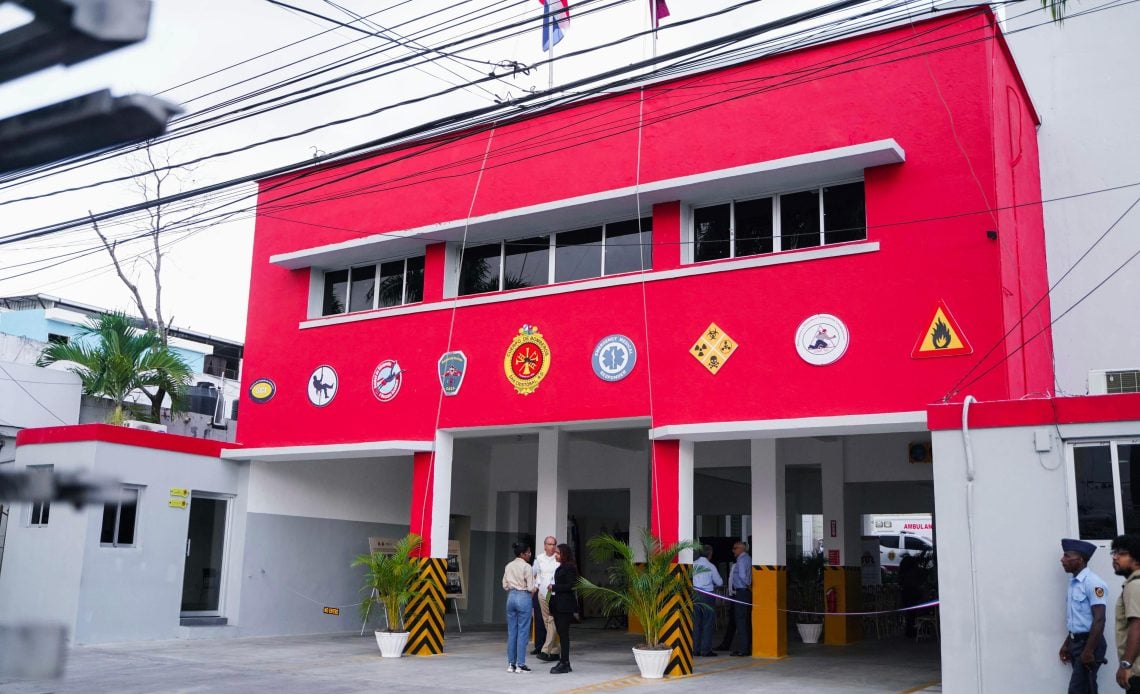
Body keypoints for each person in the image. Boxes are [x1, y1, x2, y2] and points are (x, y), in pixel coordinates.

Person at [1059, 538, 1108, 694]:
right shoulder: (1074, 583)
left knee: (1078, 690)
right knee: (1086, 688)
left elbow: (1099, 618)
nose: (1062, 560)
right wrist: (1068, 643)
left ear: (1079, 560)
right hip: (1077, 643)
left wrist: (1088, 651)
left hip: (1090, 643)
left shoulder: (1093, 583)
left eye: (1067, 556)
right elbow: (1078, 619)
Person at [1112, 535, 1140, 691]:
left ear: (1137, 560)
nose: (1115, 558)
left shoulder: (1135, 586)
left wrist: (1126, 664)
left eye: (1121, 554)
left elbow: (1138, 626)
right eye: (1114, 553)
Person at [502, 542, 535, 673]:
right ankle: (521, 664)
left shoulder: (509, 565)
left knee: (512, 632)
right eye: (528, 553)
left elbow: (504, 584)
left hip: (511, 597)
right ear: (522, 554)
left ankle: (511, 664)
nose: (530, 555)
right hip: (523, 596)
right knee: (523, 632)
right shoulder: (527, 567)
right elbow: (531, 587)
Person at [549, 543, 578, 674]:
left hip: (565, 606)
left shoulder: (570, 568)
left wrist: (554, 587)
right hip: (557, 604)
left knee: (564, 634)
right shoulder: (560, 567)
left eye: (558, 553)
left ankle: (565, 662)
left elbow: (570, 586)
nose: (556, 555)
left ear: (564, 554)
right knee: (561, 634)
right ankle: (563, 660)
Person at [692, 544, 723, 657]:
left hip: (695, 595)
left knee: (696, 623)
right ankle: (705, 650)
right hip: (707, 596)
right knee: (707, 623)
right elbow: (719, 582)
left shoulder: (693, 565)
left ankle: (695, 649)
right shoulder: (711, 566)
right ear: (710, 554)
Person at [532, 536, 560, 661]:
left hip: (555, 594)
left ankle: (546, 649)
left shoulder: (559, 558)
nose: (552, 546)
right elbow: (534, 573)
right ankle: (555, 651)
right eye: (549, 544)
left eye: (554, 544)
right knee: (546, 622)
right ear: (544, 546)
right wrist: (536, 587)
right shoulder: (539, 559)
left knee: (552, 621)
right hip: (542, 594)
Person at [729, 540, 752, 657]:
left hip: (742, 592)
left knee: (741, 621)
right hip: (744, 592)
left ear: (741, 549)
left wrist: (748, 585)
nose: (733, 550)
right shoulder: (747, 558)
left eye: (735, 548)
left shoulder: (741, 560)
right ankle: (745, 647)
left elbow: (743, 576)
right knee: (744, 621)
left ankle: (744, 649)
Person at [898, 554, 924, 639]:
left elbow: (900, 582)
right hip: (913, 593)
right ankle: (911, 630)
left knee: (909, 613)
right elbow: (919, 581)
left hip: (905, 593)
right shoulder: (914, 571)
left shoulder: (902, 571)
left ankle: (909, 630)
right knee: (912, 613)